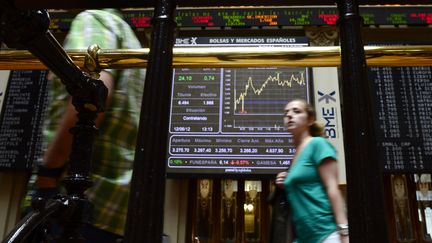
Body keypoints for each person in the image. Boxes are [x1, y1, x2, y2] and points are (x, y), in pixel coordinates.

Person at [25, 8, 145, 242]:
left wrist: (48, 173)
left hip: (73, 204)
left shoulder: (94, 20)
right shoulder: (134, 42)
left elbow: (92, 94)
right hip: (116, 211)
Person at [275, 99, 349, 243]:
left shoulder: (318, 144)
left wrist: (344, 233)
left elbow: (332, 189)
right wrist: (286, 182)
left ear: (310, 120)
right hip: (303, 238)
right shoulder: (295, 156)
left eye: (296, 111)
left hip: (327, 234)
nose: (289, 115)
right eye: (286, 113)